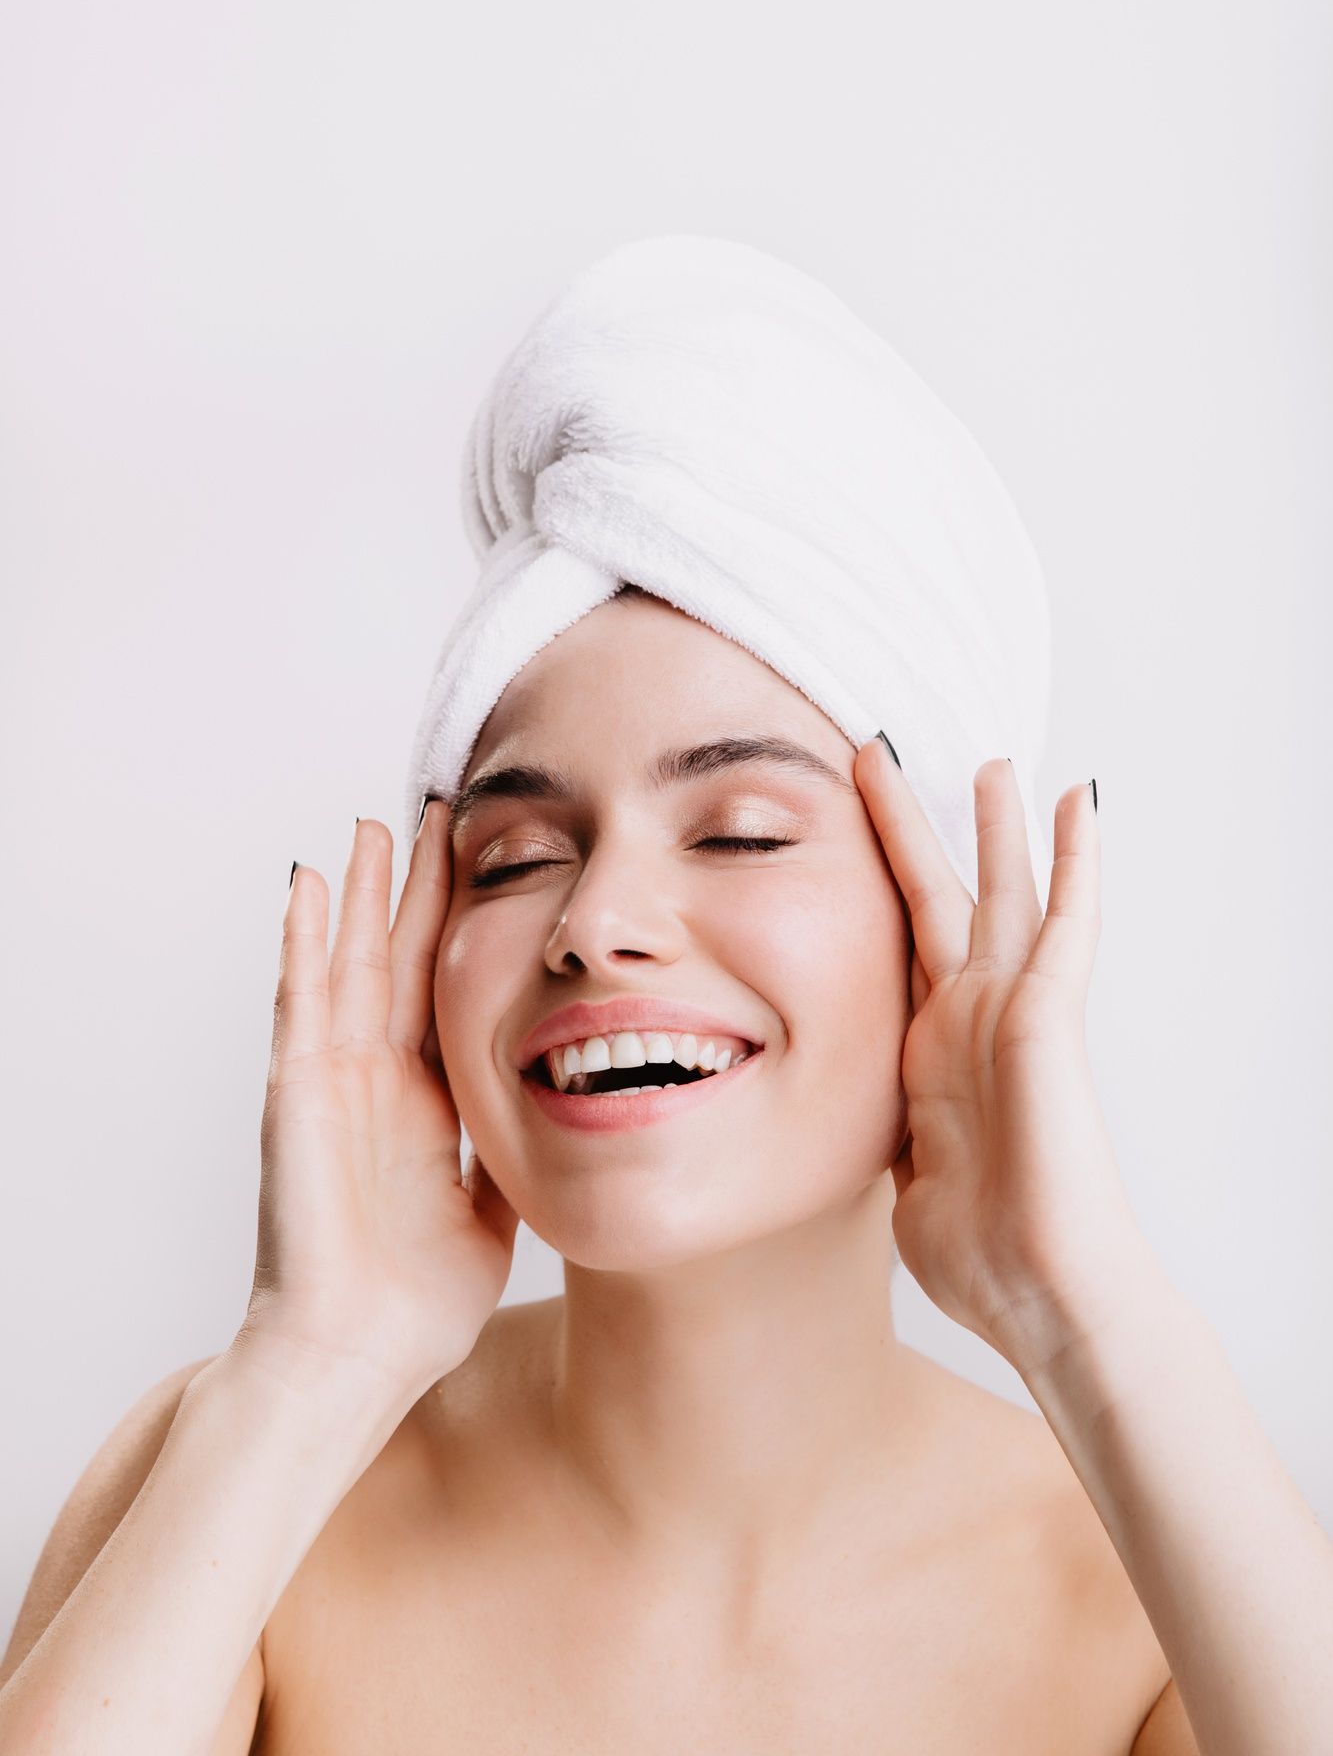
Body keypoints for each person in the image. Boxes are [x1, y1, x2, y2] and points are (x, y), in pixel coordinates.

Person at [3, 245, 1329, 1752]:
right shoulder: (240, 1486)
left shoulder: (1151, 1602)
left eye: (743, 832)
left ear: (942, 935)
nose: (594, 922)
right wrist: (315, 1360)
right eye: (511, 857)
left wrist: (1081, 1311)